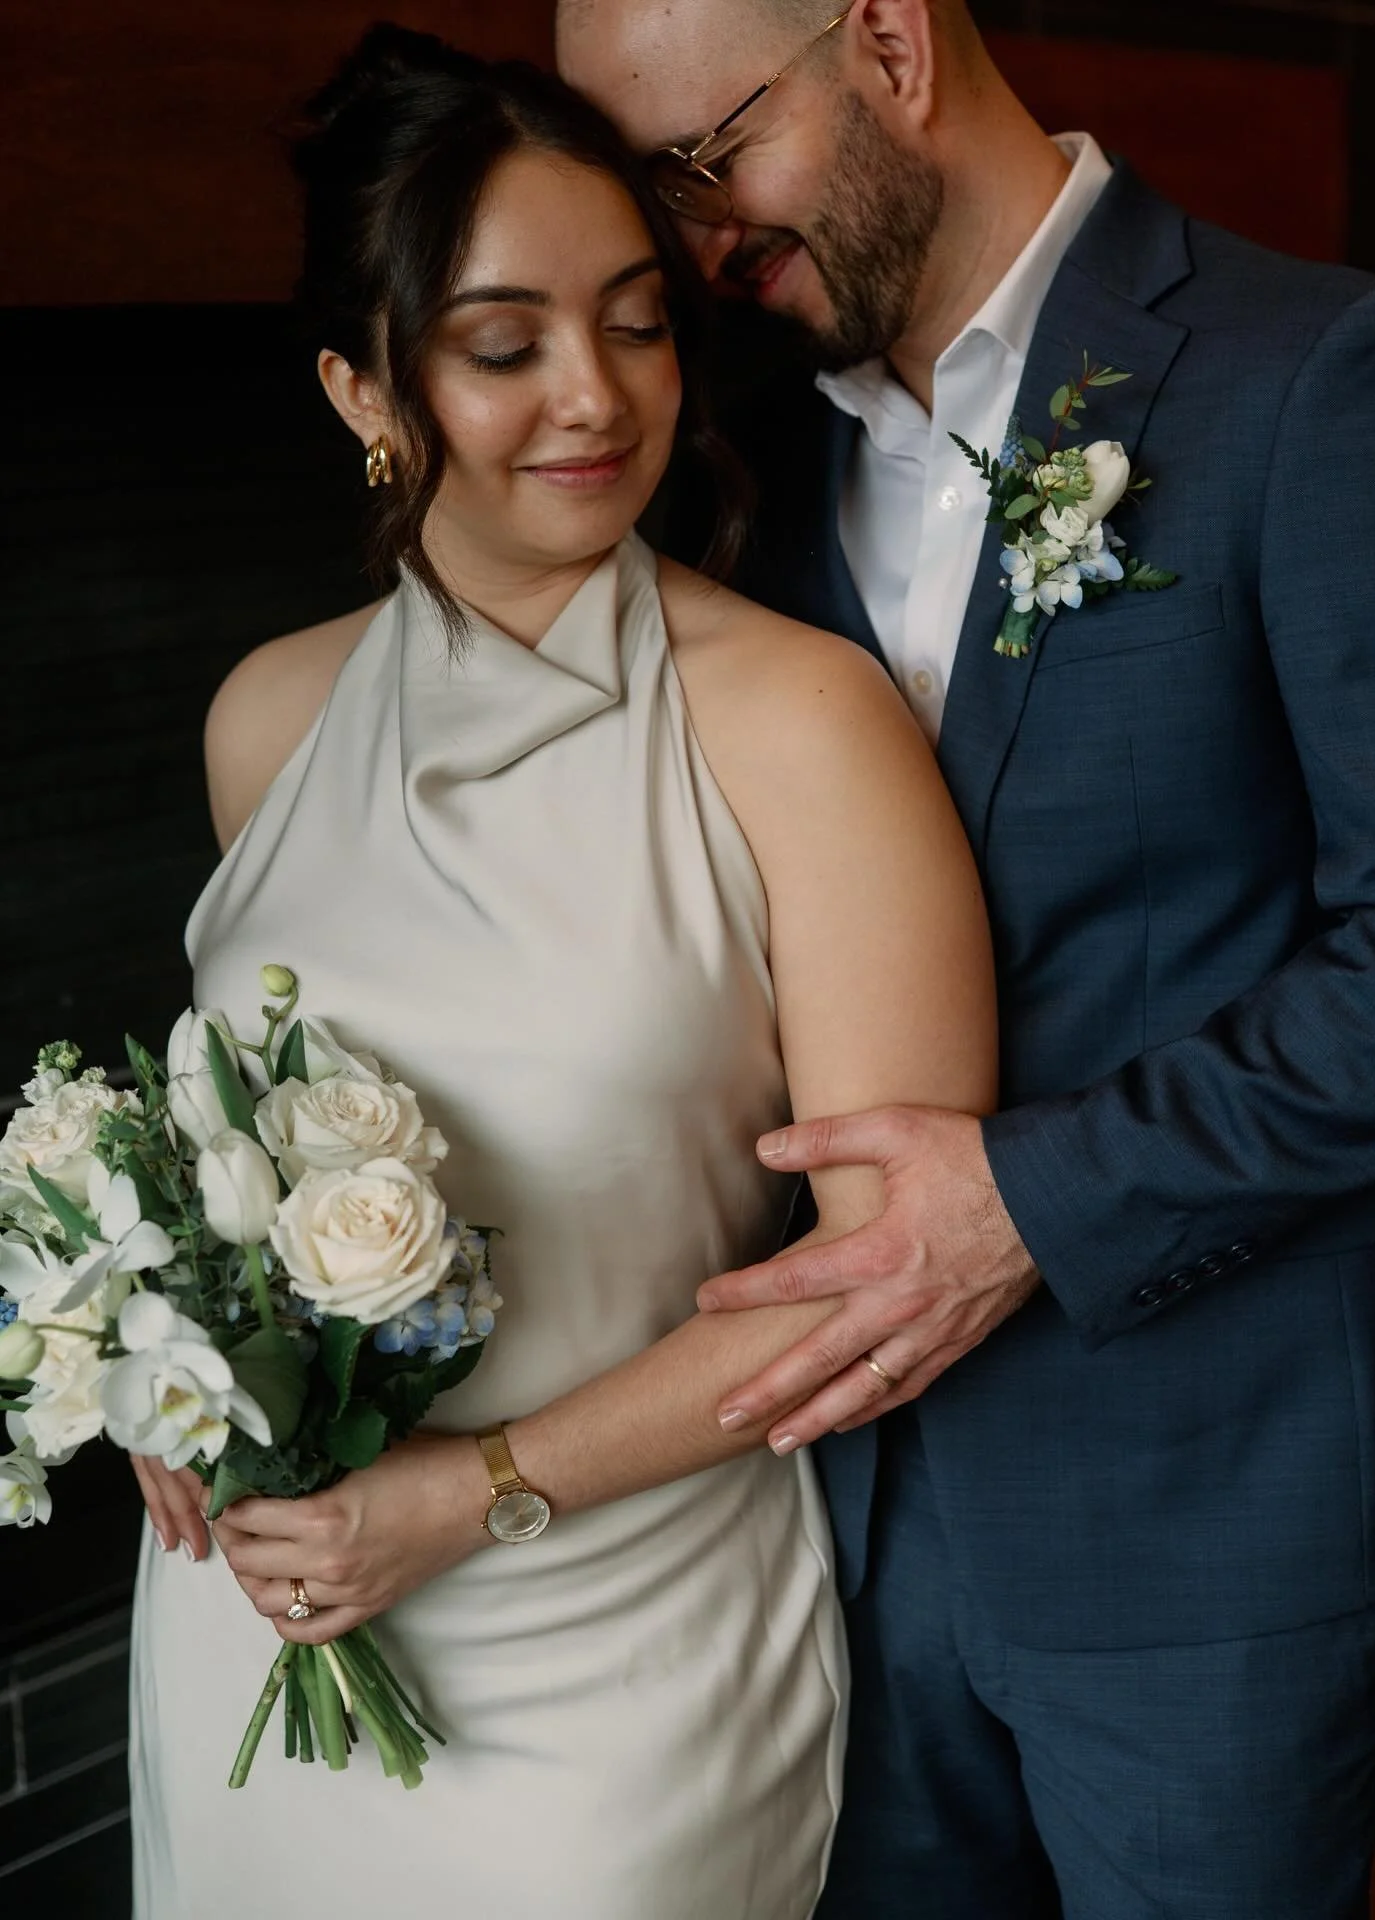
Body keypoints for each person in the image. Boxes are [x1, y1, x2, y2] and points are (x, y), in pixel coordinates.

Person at [556, 2, 1375, 1916]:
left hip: (1209, 1536)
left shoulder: (1318, 373)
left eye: (707, 157)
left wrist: (1032, 1202)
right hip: (831, 1536)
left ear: (886, 43)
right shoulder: (736, 455)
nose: (693, 240)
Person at [124, 24, 995, 1920]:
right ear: (364, 388)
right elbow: (229, 1181)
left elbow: (881, 1289)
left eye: (637, 324)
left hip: (620, 1664)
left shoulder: (803, 723)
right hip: (260, 1629)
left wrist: (477, 1490)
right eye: (504, 346)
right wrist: (163, 1384)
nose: (595, 397)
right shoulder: (266, 722)